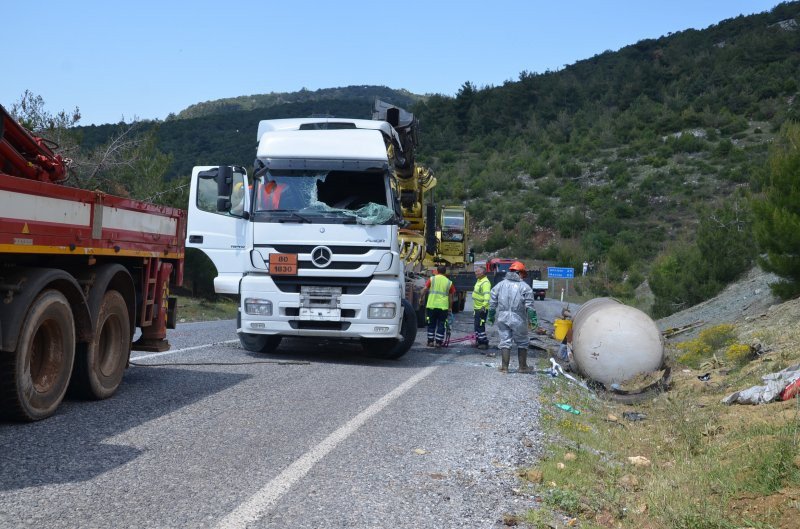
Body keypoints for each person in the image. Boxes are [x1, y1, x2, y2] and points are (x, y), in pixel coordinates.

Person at [487, 261, 538, 373]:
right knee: (523, 341)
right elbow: (530, 306)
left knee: (505, 340)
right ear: (520, 273)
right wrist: (533, 320)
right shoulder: (525, 287)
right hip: (518, 317)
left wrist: (490, 316)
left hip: (503, 316)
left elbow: (492, 302)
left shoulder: (500, 285)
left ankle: (505, 367)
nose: (523, 277)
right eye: (523, 275)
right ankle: (522, 367)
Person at [422, 265, 455, 348]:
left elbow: (425, 289)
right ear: (445, 272)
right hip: (443, 307)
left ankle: (430, 342)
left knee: (431, 324)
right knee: (441, 324)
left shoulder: (432, 279)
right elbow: (451, 298)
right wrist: (450, 308)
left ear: (437, 271)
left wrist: (420, 298)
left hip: (432, 306)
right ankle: (438, 342)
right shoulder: (449, 282)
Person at [471, 266, 491, 353]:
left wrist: (483, 306)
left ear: (482, 273)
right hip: (477, 308)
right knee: (477, 326)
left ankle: (483, 343)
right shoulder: (479, 281)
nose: (475, 273)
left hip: (481, 309)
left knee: (480, 326)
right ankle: (479, 341)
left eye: (477, 271)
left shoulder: (485, 283)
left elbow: (487, 296)